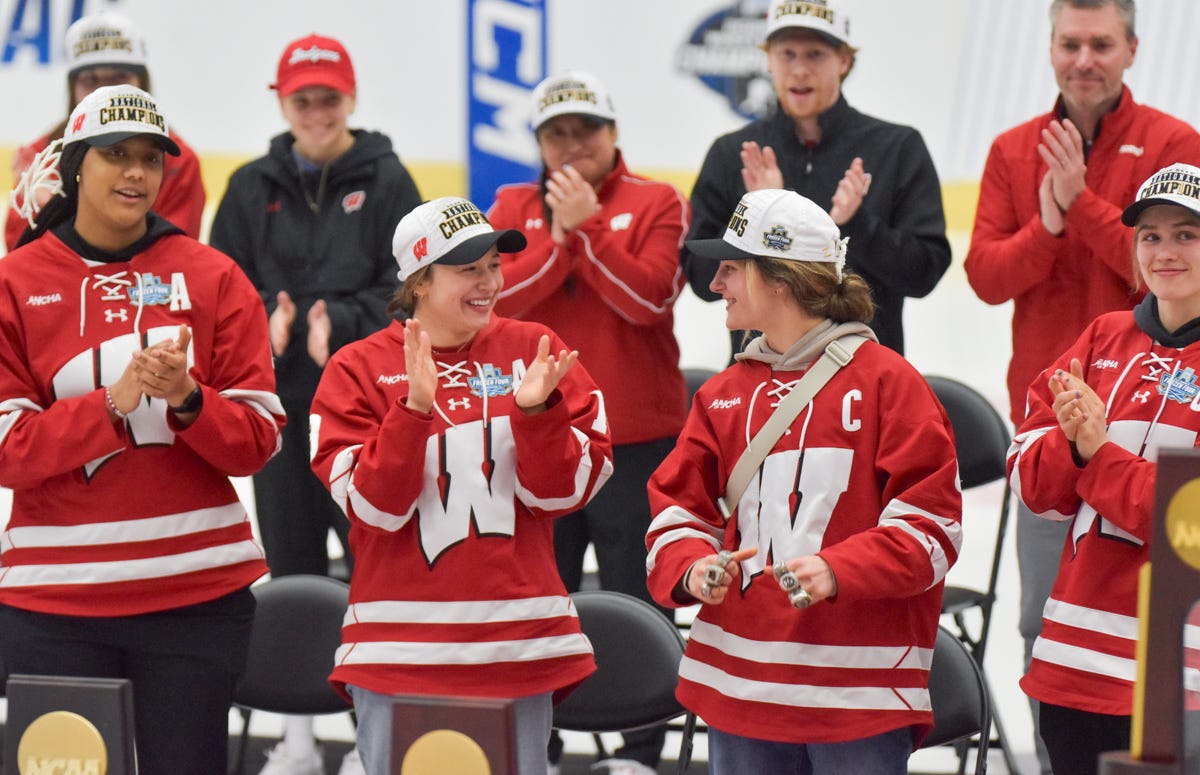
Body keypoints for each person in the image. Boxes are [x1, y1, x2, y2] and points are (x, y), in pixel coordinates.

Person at [0, 84, 284, 775]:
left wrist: (189, 399)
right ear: (73, 166)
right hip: (52, 603)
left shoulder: (213, 276)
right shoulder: (14, 282)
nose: (136, 173)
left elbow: (257, 441)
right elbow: (9, 451)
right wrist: (112, 404)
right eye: (116, 155)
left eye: (150, 159)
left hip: (194, 599)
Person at [646, 188, 961, 774]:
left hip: (856, 695)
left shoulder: (891, 385)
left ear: (781, 282)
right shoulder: (720, 395)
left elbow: (934, 531)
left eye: (733, 268)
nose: (715, 283)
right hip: (739, 687)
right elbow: (676, 510)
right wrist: (691, 566)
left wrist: (842, 568)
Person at [962, 2, 1200, 769]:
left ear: (1132, 48)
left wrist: (1085, 204)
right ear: (1051, 50)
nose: (1085, 58)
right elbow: (989, 277)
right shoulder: (1010, 148)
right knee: (1043, 623)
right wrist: (1048, 225)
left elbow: (1150, 263)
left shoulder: (1174, 144)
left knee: (1171, 648)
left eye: (1102, 43)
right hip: (1072, 414)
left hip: (1142, 428)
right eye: (1071, 43)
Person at [308, 196, 612, 775]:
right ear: (419, 281)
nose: (489, 282)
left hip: (517, 645)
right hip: (396, 651)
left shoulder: (535, 350)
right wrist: (413, 409)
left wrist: (538, 412)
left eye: (494, 265)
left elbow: (566, 492)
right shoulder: (356, 368)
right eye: (467, 269)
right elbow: (373, 508)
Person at [209, 33, 422, 774]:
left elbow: (414, 288)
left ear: (350, 99)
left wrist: (346, 321)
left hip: (367, 411)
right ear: (283, 103)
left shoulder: (391, 181)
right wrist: (268, 313)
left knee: (376, 568)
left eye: (328, 97)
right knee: (292, 571)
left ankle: (373, 733)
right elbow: (218, 287)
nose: (316, 111)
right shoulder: (247, 185)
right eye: (303, 98)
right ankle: (294, 735)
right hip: (277, 412)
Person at [487, 70, 689, 775]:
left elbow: (649, 299)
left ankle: (639, 752)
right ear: (539, 142)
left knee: (640, 601)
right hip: (537, 438)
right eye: (555, 133)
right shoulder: (512, 202)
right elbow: (496, 302)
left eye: (585, 131)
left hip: (637, 442)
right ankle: (536, 750)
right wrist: (561, 242)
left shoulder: (657, 200)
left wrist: (588, 232)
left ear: (613, 135)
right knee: (538, 603)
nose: (571, 146)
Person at [1008, 162, 1200, 775]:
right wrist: (1070, 449)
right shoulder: (1102, 338)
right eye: (1150, 236)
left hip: (1178, 677)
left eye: (1185, 235)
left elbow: (1186, 528)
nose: (1163, 251)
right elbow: (1032, 484)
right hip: (1073, 664)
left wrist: (1096, 451)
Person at [682, 0, 950, 361]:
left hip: (864, 379)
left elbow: (924, 273)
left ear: (844, 62)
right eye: (787, 54)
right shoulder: (732, 153)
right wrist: (761, 219)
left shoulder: (898, 147)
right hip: (760, 379)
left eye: (816, 55)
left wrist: (858, 225)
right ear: (768, 61)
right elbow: (702, 281)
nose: (799, 69)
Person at [5, 10, 205, 252]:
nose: (105, 91)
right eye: (91, 80)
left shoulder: (178, 160)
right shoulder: (42, 157)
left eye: (120, 77)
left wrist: (53, 206)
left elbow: (177, 258)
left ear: (142, 81)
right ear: (73, 87)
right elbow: (20, 262)